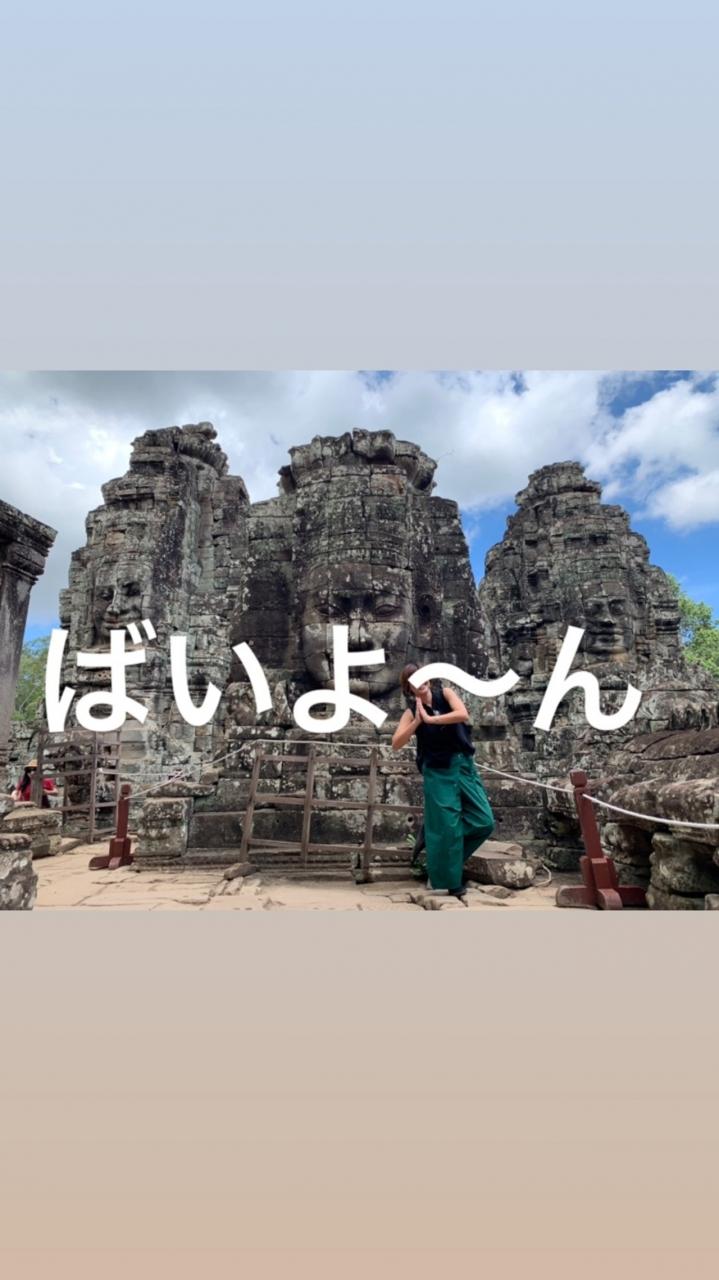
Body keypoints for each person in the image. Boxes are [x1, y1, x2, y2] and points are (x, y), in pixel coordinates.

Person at [391, 664, 495, 898]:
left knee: (484, 821)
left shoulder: (445, 694)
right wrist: (417, 722)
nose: (420, 682)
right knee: (448, 828)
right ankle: (450, 881)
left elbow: (462, 714)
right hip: (437, 772)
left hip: (463, 766)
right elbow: (396, 743)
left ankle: (436, 845)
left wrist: (431, 719)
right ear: (409, 688)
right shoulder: (410, 712)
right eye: (413, 681)